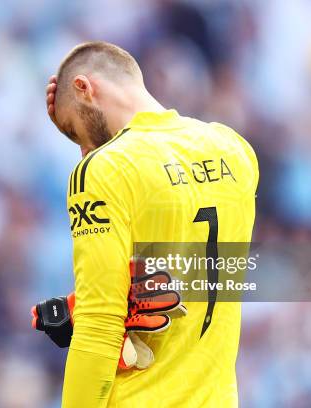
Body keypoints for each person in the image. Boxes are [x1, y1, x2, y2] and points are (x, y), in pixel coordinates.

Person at [42, 41, 258, 407]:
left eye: (75, 132)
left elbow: (99, 324)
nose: (84, 150)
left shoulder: (104, 170)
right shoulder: (234, 148)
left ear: (84, 87)